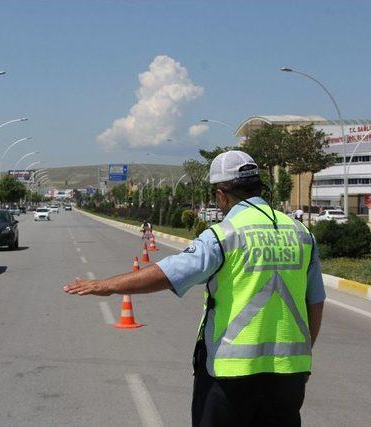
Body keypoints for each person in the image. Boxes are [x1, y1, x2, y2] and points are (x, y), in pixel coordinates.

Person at [64, 150, 325, 427]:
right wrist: (301, 357)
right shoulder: (301, 234)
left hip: (230, 375)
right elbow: (316, 302)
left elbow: (170, 272)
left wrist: (108, 286)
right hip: (289, 376)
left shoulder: (224, 235)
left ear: (221, 194)